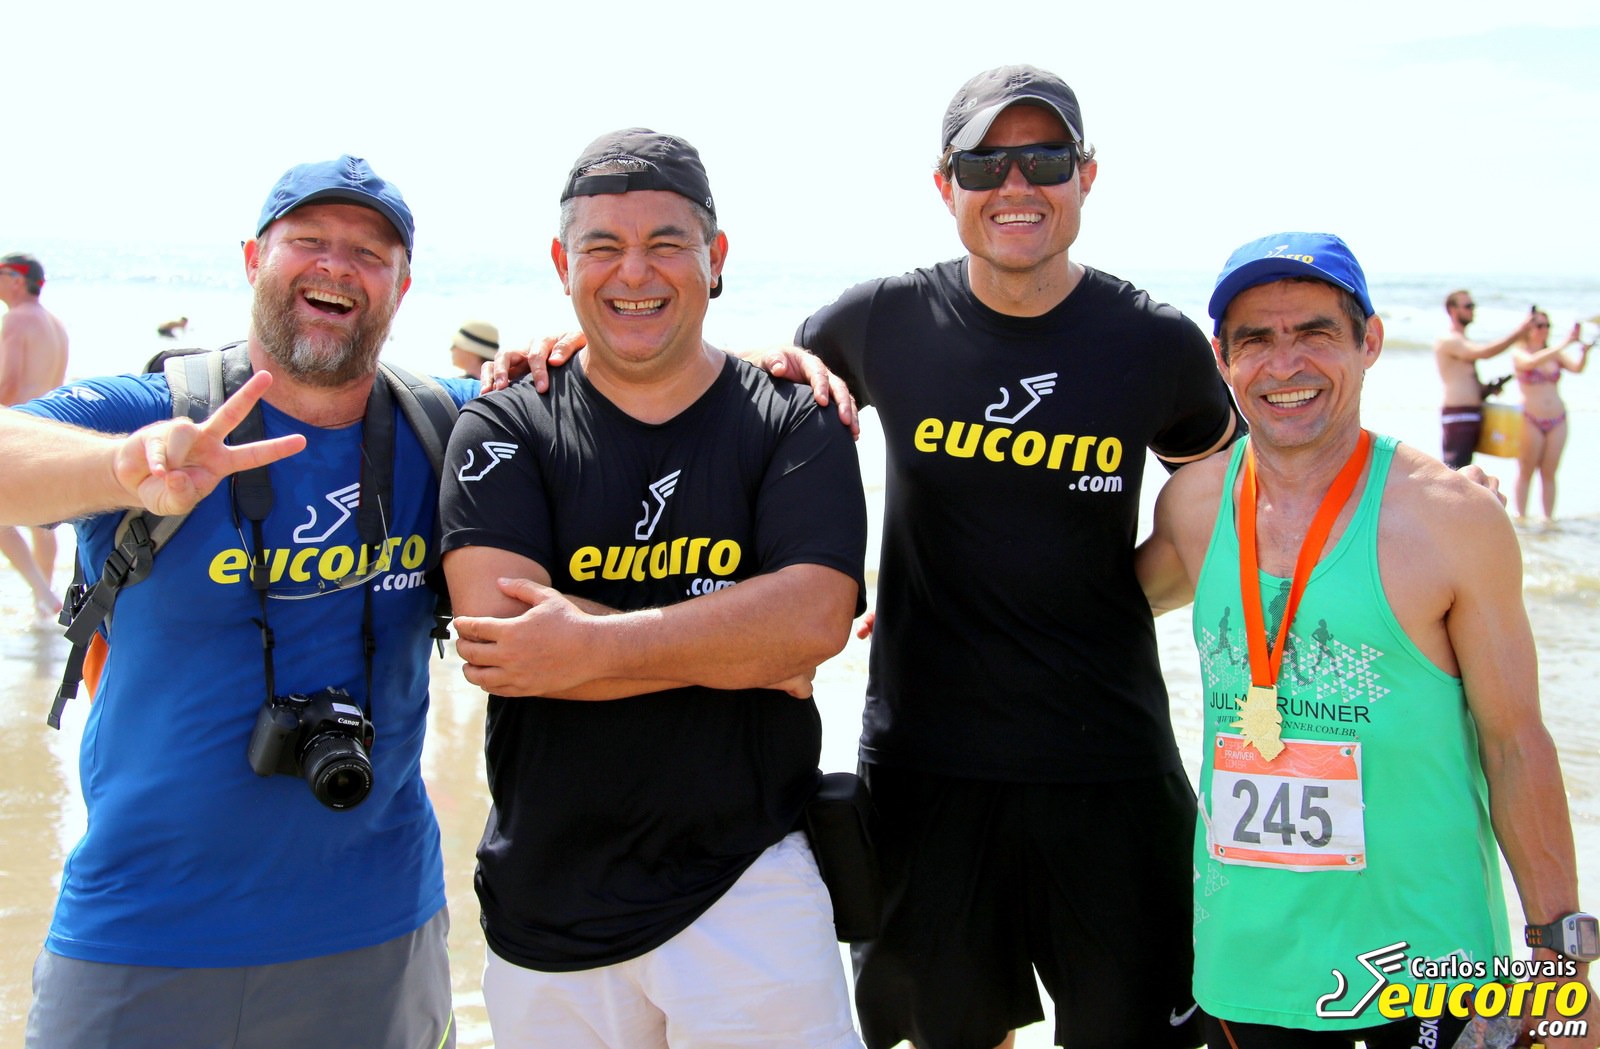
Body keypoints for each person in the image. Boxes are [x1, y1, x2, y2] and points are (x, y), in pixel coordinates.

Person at [493, 65, 1242, 1049]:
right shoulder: (881, 321)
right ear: (945, 185)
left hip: (1112, 761)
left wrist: (1095, 602)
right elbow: (722, 383)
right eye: (985, 164)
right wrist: (586, 342)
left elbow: (1219, 503)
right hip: (926, 763)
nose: (1015, 184)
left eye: (1044, 158)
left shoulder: (1155, 342)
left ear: (1086, 175)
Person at [2, 156, 476, 1048]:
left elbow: (618, 397)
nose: (336, 265)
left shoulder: (442, 424)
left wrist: (578, 348)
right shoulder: (155, 415)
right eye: (309, 240)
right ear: (254, 258)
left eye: (368, 253)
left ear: (402, 286)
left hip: (377, 930)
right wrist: (121, 469)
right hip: (140, 931)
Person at [439, 128, 868, 1049]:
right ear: (563, 265)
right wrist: (745, 649)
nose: (634, 271)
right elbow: (505, 642)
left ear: (716, 257)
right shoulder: (505, 422)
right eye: (602, 246)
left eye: (666, 243)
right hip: (545, 901)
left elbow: (813, 619)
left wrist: (590, 645)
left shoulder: (793, 417)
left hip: (751, 884)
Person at [1136, 232, 1598, 1049]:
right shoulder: (1194, 508)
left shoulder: (1452, 519)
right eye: (1256, 339)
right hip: (1249, 962)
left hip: (1427, 965)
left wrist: (1563, 961)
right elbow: (1092, 615)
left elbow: (1515, 742)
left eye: (1315, 332)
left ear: (1370, 341)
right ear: (1222, 359)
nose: (1286, 364)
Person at [0, 252, 70, 622]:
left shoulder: (17, 318)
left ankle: (43, 593)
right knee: (42, 522)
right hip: (49, 428)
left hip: (16, 428)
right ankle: (42, 607)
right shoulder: (54, 323)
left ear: (17, 279)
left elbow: (8, 383)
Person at [1434, 289, 1534, 469]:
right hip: (1458, 415)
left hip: (1471, 413)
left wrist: (1488, 389)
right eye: (1468, 306)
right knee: (1456, 472)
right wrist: (1519, 333)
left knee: (1467, 471)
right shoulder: (1448, 339)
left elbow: (1468, 381)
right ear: (1452, 310)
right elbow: (1484, 352)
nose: (1473, 310)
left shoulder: (1463, 340)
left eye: (1473, 306)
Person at [1512, 309, 1590, 520]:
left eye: (1547, 326)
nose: (1544, 330)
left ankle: (1548, 520)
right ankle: (1521, 518)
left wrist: (1584, 352)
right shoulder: (1520, 353)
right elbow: (1530, 363)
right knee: (1526, 470)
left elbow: (1577, 368)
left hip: (1558, 418)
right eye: (1539, 325)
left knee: (1549, 472)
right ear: (1528, 329)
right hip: (1530, 418)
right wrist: (1565, 343)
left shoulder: (1554, 353)